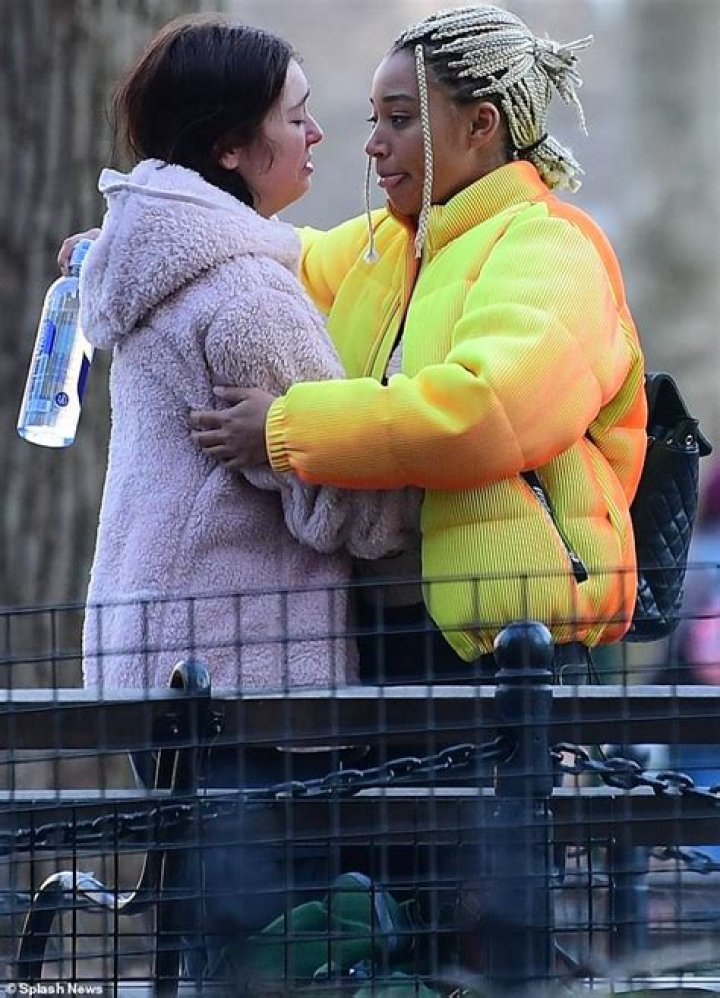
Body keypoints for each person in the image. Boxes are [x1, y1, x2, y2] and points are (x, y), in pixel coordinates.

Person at [74, 14, 418, 981]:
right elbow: (348, 508)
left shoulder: (144, 266)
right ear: (231, 146)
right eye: (297, 116)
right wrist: (410, 449)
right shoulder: (250, 298)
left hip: (157, 659)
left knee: (211, 948)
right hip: (250, 682)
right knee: (265, 960)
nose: (318, 136)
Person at [186, 3, 648, 686]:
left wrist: (285, 428)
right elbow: (268, 257)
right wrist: (136, 243)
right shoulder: (389, 244)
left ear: (481, 124)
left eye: (399, 119)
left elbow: (485, 413)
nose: (373, 143)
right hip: (375, 634)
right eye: (376, 119)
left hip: (510, 651)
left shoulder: (550, 246)